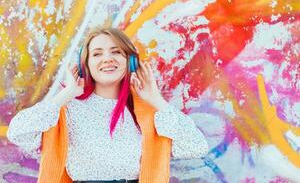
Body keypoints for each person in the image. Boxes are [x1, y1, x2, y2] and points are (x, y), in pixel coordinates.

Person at [7, 27, 209, 183]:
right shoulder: (65, 108)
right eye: (97, 54)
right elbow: (18, 132)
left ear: (130, 62)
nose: (107, 59)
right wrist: (67, 93)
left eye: (116, 52)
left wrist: (156, 99)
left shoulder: (148, 111)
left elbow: (196, 147)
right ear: (85, 64)